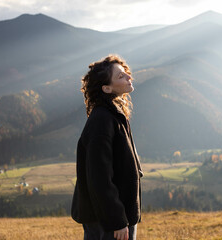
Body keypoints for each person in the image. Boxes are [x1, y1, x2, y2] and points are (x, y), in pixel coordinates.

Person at [71, 55, 143, 240]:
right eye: (120, 76)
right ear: (107, 88)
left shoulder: (113, 115)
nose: (129, 77)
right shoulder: (102, 121)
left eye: (126, 72)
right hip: (108, 220)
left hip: (115, 216)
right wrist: (116, 220)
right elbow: (99, 177)